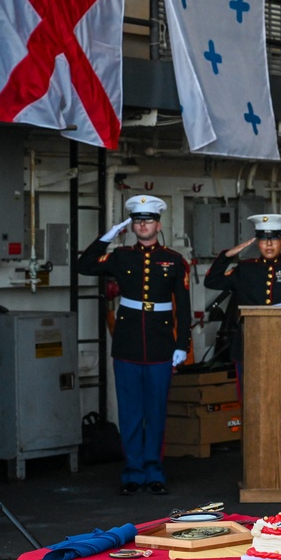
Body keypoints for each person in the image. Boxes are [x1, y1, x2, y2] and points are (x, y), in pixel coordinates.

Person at [77, 195, 192, 496]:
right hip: (127, 344)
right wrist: (108, 237)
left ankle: (154, 472)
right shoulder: (121, 256)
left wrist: (182, 344)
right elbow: (84, 265)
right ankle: (132, 473)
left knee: (154, 412)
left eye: (148, 220)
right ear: (133, 226)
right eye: (138, 221)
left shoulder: (175, 260)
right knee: (129, 413)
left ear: (158, 223)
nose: (143, 225)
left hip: (160, 345)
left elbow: (185, 305)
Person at [203, 214, 281, 390]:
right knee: (249, 395)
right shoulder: (245, 269)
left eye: (274, 239)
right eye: (263, 240)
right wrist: (227, 255)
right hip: (248, 343)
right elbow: (212, 281)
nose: (269, 245)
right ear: (257, 243)